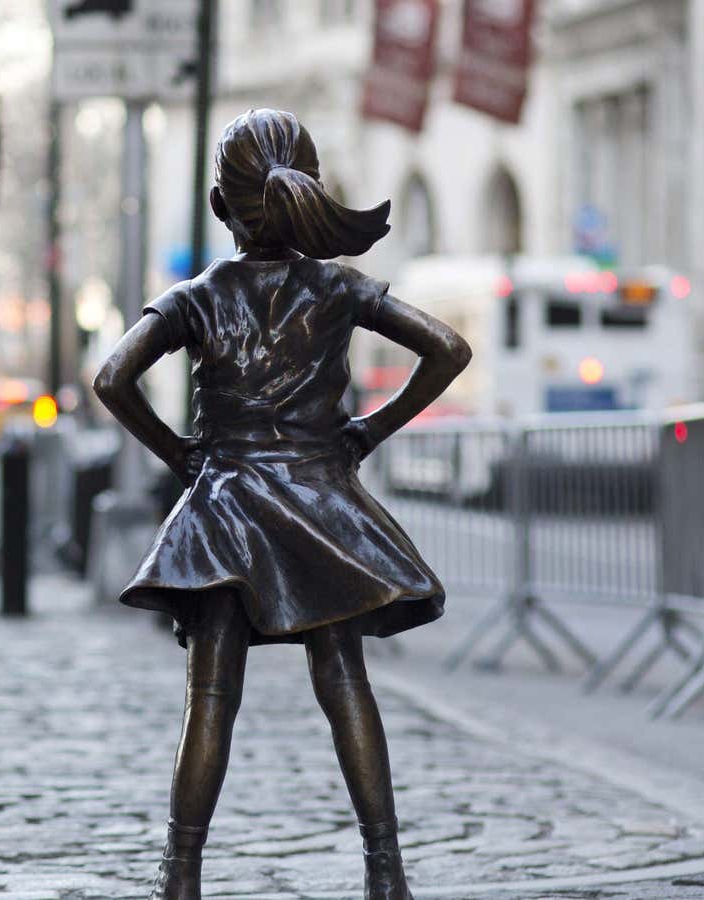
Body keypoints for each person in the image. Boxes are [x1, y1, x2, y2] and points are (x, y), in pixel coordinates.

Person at [92, 109, 471, 900]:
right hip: (318, 501)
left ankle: (182, 874)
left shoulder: (195, 295)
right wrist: (368, 432)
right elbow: (448, 348)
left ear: (217, 204)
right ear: (305, 192)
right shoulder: (336, 286)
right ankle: (385, 871)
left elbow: (111, 380)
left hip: (225, 504)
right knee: (344, 680)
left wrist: (180, 455)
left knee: (211, 697)